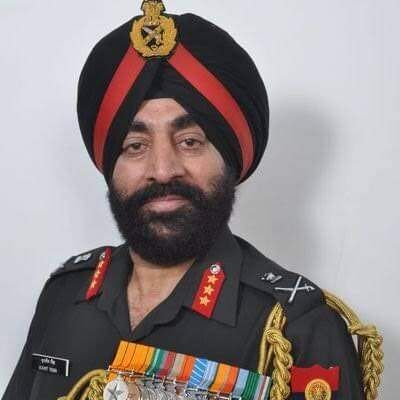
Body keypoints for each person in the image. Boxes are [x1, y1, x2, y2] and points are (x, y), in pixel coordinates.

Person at [2, 1, 383, 400]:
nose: (163, 169)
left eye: (190, 141)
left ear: (229, 161)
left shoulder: (296, 329)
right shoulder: (65, 294)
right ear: (109, 166)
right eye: (135, 145)